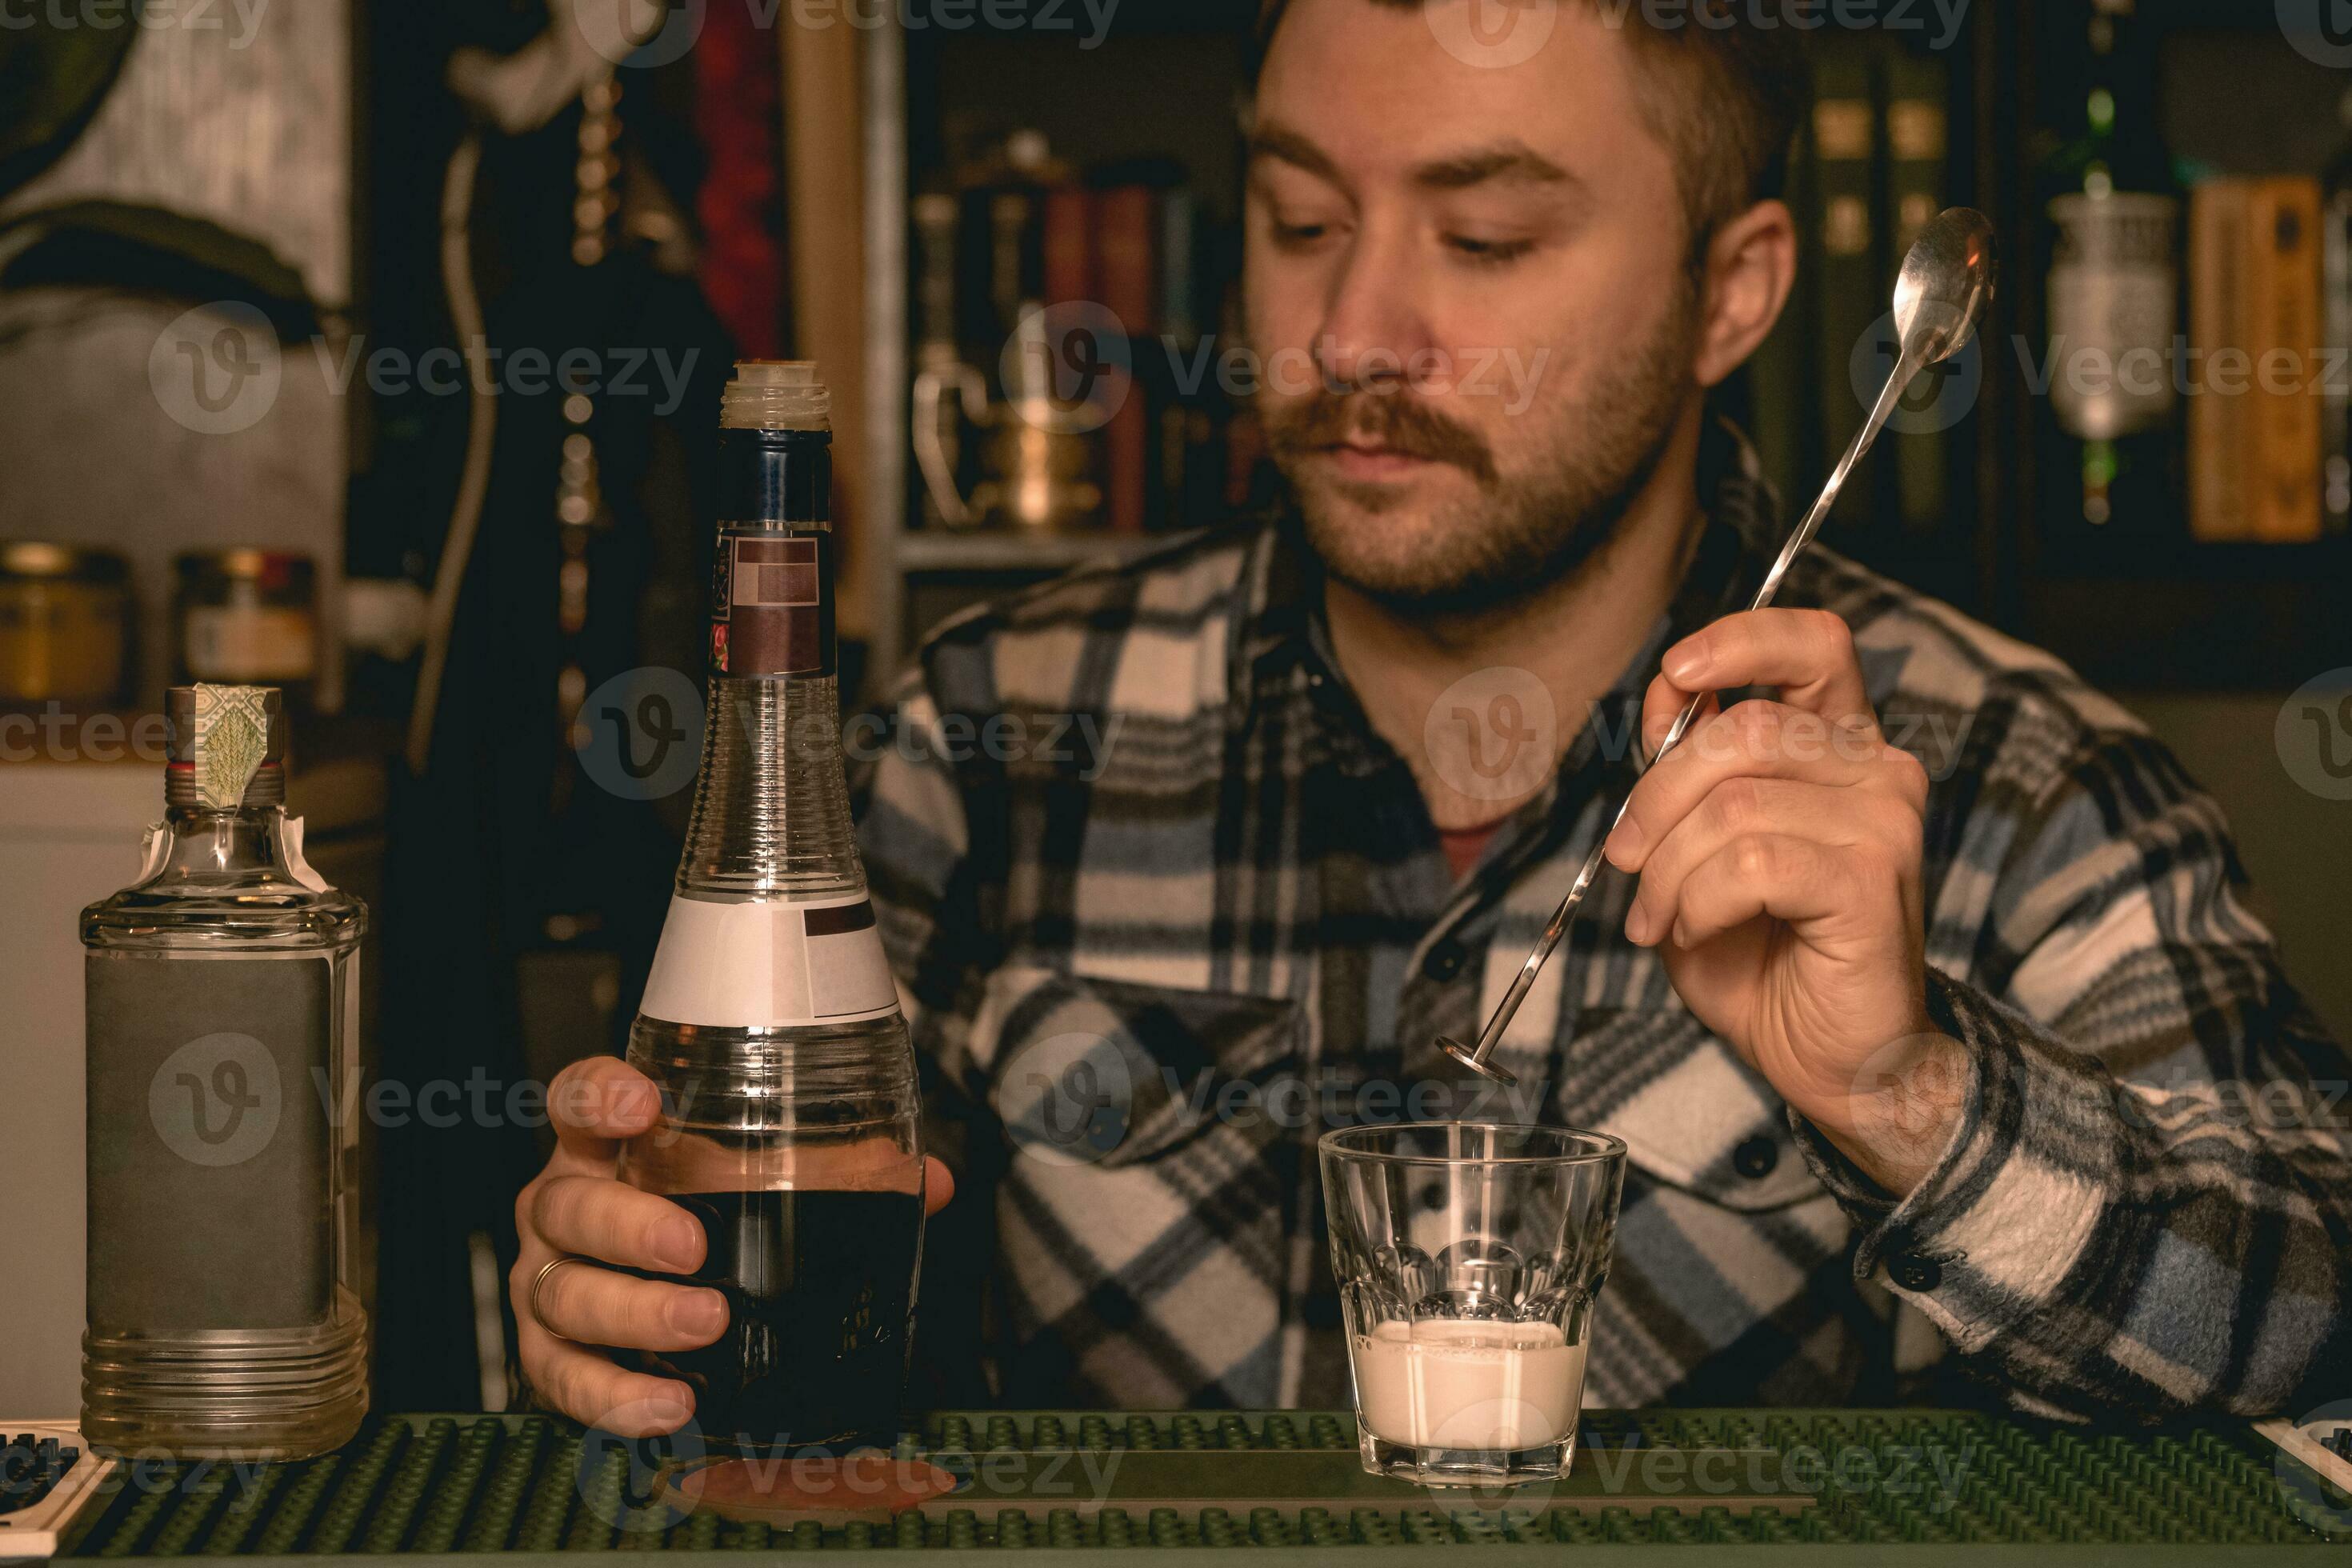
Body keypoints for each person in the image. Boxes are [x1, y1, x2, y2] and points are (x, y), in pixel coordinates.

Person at [511, 0, 2351, 1433]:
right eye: (1300, 215)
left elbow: (2319, 1321)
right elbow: (712, 1289)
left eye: (1481, 240)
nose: (1356, 326)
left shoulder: (2021, 788)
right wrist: (624, 1290)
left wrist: (1911, 1093)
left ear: (1737, 291)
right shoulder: (975, 741)